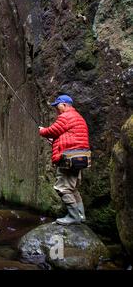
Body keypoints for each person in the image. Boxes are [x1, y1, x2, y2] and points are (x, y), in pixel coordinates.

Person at [39, 95, 90, 225]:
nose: (57, 109)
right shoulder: (78, 117)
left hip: (69, 159)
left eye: (57, 106)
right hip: (79, 157)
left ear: (65, 104)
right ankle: (80, 215)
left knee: (62, 188)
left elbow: (52, 130)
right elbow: (69, 136)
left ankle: (73, 216)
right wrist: (55, 140)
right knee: (73, 188)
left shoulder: (66, 116)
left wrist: (42, 130)